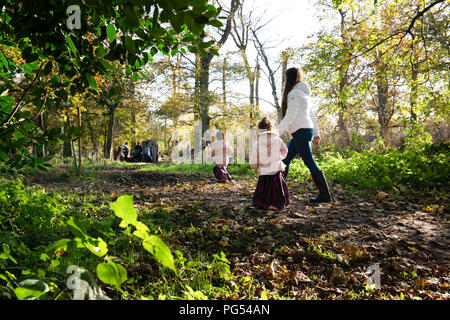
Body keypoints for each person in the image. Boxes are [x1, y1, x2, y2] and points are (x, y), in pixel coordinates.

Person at [278, 67, 331, 203]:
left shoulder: (294, 93)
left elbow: (290, 116)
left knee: (309, 162)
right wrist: (316, 133)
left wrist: (275, 133)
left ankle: (325, 194)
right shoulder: (303, 93)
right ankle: (278, 190)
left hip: (301, 131)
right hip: (303, 131)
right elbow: (311, 115)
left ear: (289, 78)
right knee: (285, 159)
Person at [250, 117, 290, 210]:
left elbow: (254, 157)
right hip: (276, 169)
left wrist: (255, 167)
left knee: (264, 189)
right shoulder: (278, 140)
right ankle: (278, 202)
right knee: (278, 189)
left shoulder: (258, 143)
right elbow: (285, 151)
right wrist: (280, 157)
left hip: (264, 171)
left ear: (259, 130)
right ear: (271, 128)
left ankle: (264, 202)